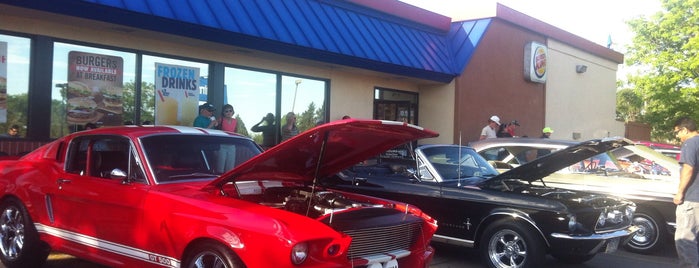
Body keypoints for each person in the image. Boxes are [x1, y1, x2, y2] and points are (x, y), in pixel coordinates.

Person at [673, 117, 699, 268]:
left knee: (685, 241)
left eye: (677, 132)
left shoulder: (690, 143)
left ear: (684, 129)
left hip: (691, 200)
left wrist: (680, 193)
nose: (677, 136)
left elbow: (688, 169)